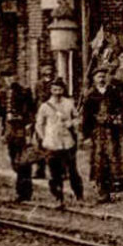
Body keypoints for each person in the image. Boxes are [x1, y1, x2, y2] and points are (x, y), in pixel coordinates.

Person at [81, 67, 123, 202]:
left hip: (113, 130)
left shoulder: (114, 92)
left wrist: (117, 118)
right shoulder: (90, 95)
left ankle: (115, 190)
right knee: (99, 161)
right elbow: (86, 117)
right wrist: (86, 134)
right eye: (98, 77)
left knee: (114, 157)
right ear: (94, 79)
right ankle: (102, 191)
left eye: (103, 76)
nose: (101, 79)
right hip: (98, 132)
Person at [36, 77, 83, 206]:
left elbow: (77, 118)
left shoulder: (69, 103)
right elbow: (39, 124)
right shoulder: (45, 106)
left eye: (60, 89)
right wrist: (44, 137)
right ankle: (58, 197)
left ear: (63, 90)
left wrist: (71, 123)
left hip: (67, 141)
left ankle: (79, 195)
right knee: (54, 172)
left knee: (72, 170)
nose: (57, 92)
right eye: (54, 89)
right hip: (52, 143)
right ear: (51, 90)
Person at [0, 72, 37, 202]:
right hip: (10, 129)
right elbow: (3, 114)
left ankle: (24, 192)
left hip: (22, 128)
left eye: (11, 76)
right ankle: (22, 189)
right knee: (13, 159)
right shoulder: (4, 93)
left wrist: (28, 125)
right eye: (6, 77)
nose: (9, 79)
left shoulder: (24, 92)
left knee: (23, 161)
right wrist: (3, 131)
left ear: (16, 77)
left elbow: (31, 110)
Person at [32, 62, 57, 179]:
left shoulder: (57, 84)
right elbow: (35, 101)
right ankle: (39, 170)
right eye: (45, 68)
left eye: (49, 69)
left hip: (53, 117)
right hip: (41, 118)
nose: (47, 71)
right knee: (40, 144)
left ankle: (56, 171)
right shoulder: (38, 85)